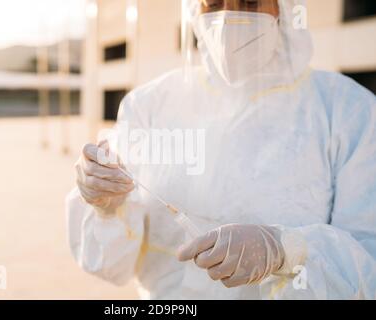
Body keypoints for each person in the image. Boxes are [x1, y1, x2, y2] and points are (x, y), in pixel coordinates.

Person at [66, 0, 376, 299]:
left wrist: (285, 251)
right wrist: (107, 207)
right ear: (194, 9)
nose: (228, 18)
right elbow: (110, 266)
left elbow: (369, 265)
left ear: (284, 7)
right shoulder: (149, 105)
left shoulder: (347, 111)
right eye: (213, 3)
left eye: (250, 1)